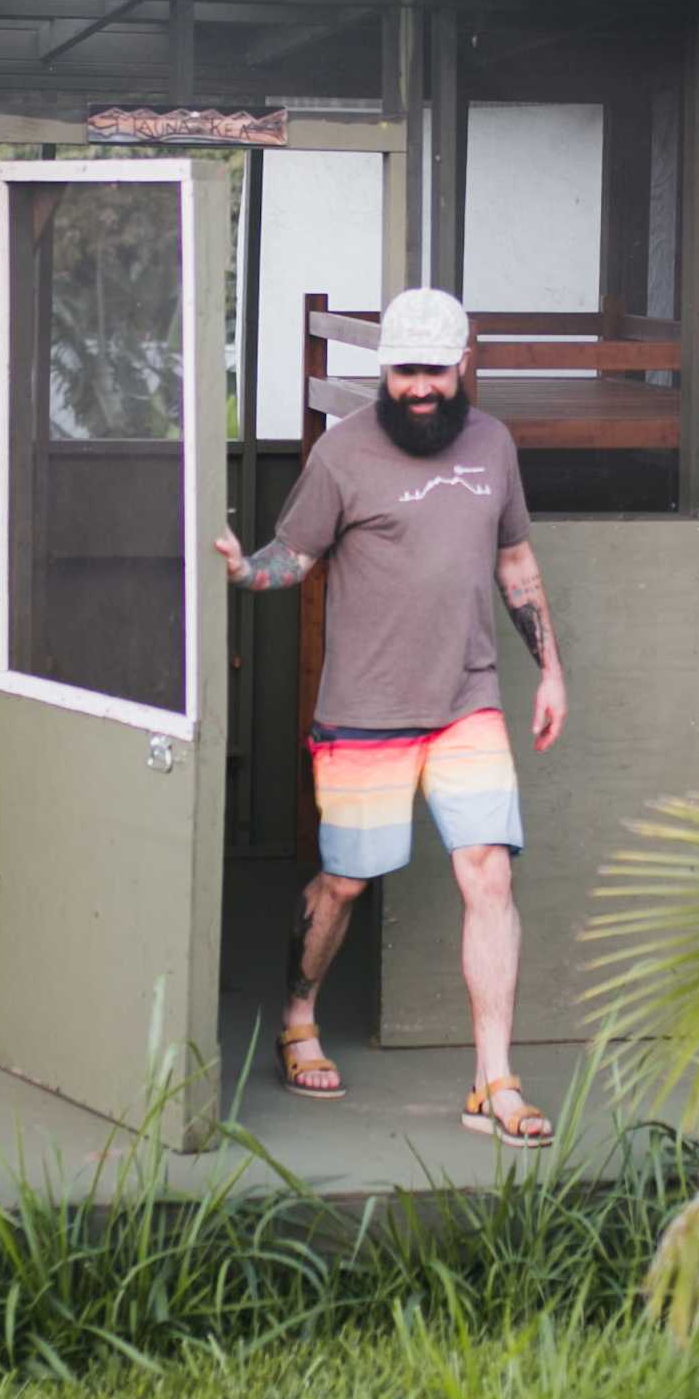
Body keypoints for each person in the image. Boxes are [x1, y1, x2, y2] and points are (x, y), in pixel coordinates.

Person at [209, 286, 568, 1147]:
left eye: (434, 372)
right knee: (346, 883)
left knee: (488, 873)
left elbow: (515, 564)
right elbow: (291, 557)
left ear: (463, 365)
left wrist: (551, 670)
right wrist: (241, 572)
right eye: (404, 372)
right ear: (384, 371)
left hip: (466, 701)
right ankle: (299, 1012)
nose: (419, 389)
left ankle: (495, 1081)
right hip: (365, 712)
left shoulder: (493, 446)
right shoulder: (343, 454)